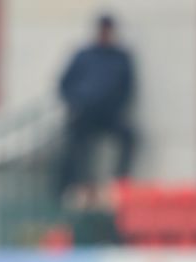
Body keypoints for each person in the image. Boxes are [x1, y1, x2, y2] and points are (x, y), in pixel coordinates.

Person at [54, 13, 136, 203]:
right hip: (84, 112)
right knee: (74, 146)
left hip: (109, 114)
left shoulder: (120, 58)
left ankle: (119, 181)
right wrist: (76, 102)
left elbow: (128, 88)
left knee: (129, 138)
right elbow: (64, 84)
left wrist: (116, 106)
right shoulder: (84, 56)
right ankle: (74, 185)